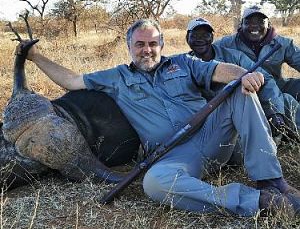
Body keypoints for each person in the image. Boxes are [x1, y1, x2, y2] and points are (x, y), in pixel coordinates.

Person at [24, 18, 300, 218]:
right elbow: (71, 80)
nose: (147, 49)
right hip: (173, 156)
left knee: (240, 91)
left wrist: (244, 74)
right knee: (153, 183)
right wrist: (35, 56)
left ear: (162, 44)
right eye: (140, 44)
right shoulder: (115, 77)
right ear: (129, 46)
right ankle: (259, 202)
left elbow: (219, 70)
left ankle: (270, 180)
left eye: (153, 43)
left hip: (211, 137)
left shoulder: (184, 62)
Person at [185, 17, 289, 140]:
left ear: (212, 38)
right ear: (187, 38)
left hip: (243, 113)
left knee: (287, 101)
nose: (200, 40)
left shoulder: (234, 57)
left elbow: (265, 79)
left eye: (205, 35)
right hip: (210, 124)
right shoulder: (181, 64)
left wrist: (275, 112)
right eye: (195, 35)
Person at [215, 6, 300, 135]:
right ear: (241, 24)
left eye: (261, 22)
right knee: (287, 100)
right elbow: (204, 52)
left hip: (278, 86)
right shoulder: (227, 43)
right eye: (249, 22)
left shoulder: (283, 43)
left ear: (269, 24)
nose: (255, 26)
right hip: (249, 91)